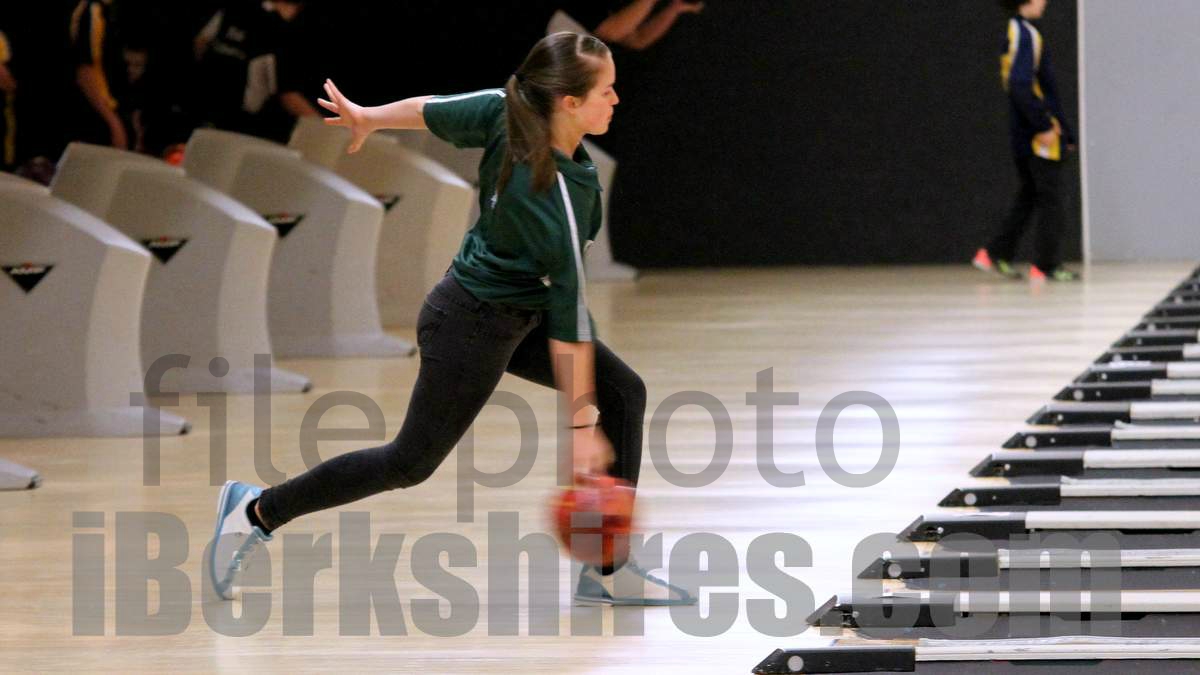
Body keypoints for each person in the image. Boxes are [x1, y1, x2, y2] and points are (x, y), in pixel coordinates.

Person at [209, 32, 694, 607]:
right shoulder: (554, 190)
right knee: (409, 463)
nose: (616, 98)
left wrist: (371, 116)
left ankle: (609, 570)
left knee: (624, 392)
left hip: (518, 310)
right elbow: (570, 317)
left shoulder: (509, 110)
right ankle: (256, 509)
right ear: (568, 102)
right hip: (472, 323)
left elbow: (430, 110)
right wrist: (583, 432)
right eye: (606, 90)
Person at [973, 0, 1079, 282]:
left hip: (1023, 132)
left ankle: (995, 252)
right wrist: (1043, 126)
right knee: (1052, 199)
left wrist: (1066, 132)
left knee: (1030, 194)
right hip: (1036, 135)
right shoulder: (1026, 34)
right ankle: (1045, 265)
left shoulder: (1017, 31)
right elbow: (1022, 86)